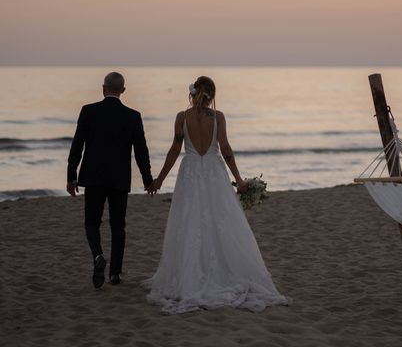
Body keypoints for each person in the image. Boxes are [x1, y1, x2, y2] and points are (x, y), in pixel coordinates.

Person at [143, 76, 287, 314]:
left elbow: (174, 149)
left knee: (190, 221)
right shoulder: (218, 117)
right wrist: (239, 180)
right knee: (220, 220)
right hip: (213, 171)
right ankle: (222, 272)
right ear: (213, 95)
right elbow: (226, 150)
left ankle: (191, 277)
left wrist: (159, 179)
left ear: (192, 93)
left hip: (190, 172)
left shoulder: (182, 117)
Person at [67, 72, 154, 288]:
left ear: (103, 88)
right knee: (118, 226)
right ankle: (115, 274)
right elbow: (141, 151)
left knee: (91, 222)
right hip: (119, 179)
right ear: (123, 90)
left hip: (93, 177)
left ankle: (97, 255)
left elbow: (77, 145)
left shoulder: (88, 111)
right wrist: (147, 179)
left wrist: (71, 176)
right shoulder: (133, 116)